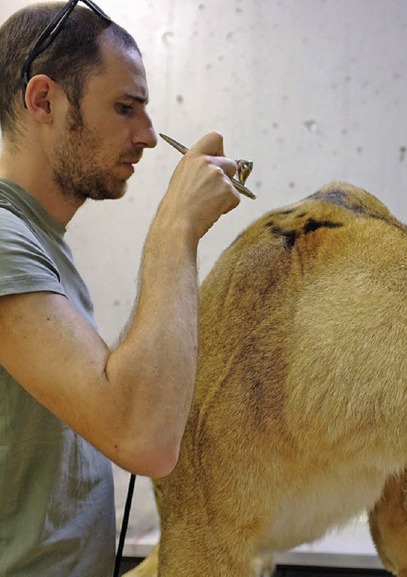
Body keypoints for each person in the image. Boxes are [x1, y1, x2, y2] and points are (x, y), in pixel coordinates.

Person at [0, 1, 241, 575]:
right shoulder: (4, 240)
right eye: (125, 108)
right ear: (44, 101)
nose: (150, 136)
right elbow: (143, 439)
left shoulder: (39, 240)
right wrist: (176, 226)